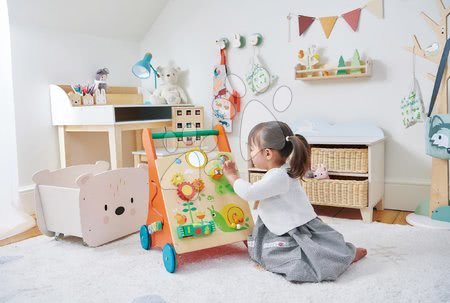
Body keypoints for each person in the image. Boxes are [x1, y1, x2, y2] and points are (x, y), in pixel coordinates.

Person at [223, 121, 366, 282]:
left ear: (268, 153)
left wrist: (232, 176)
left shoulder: (278, 176)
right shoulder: (283, 169)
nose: (250, 155)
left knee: (307, 256)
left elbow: (250, 192)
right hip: (285, 223)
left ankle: (346, 257)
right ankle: (346, 254)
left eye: (252, 150)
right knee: (321, 245)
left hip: (292, 227)